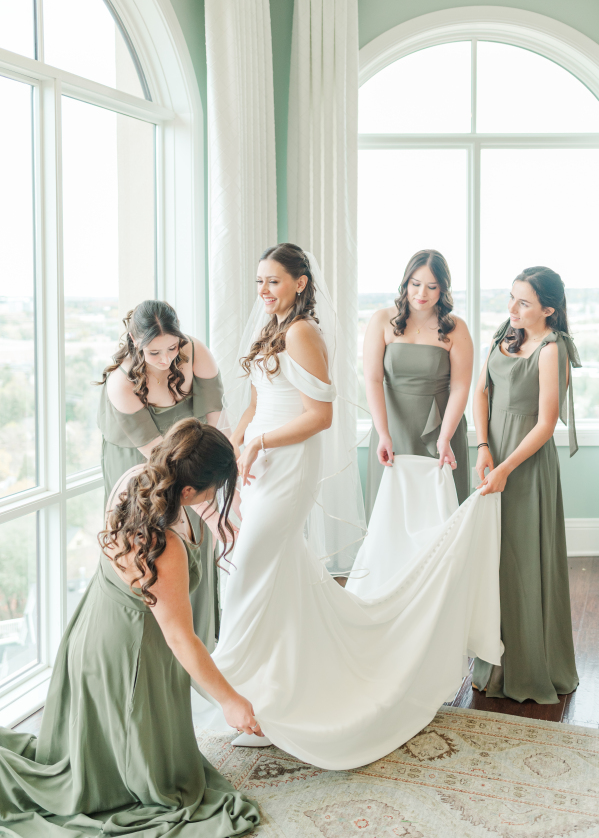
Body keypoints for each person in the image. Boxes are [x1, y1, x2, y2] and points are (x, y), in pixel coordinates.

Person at [211, 243, 502, 770]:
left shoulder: (303, 332)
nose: (263, 291)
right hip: (259, 465)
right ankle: (272, 690)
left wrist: (260, 443)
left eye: (273, 281)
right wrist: (237, 443)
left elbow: (321, 415)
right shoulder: (275, 327)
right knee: (273, 573)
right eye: (259, 281)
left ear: (299, 283)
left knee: (249, 569)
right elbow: (257, 400)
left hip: (288, 463)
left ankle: (230, 684)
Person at [0, 418, 260, 837]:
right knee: (150, 786)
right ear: (188, 491)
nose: (215, 496)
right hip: (127, 653)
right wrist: (230, 701)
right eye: (213, 488)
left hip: (92, 631)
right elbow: (181, 638)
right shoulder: (163, 547)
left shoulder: (138, 481)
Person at [472, 266, 580, 704]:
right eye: (511, 297)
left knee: (522, 560)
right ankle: (493, 666)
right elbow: (482, 392)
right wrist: (483, 447)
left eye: (523, 302)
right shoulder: (506, 331)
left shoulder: (552, 350)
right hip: (493, 454)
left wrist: (506, 468)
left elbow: (546, 424)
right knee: (494, 559)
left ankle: (531, 668)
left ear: (548, 310)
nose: (512, 308)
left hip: (525, 464)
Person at [97, 300, 225, 649]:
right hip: (143, 466)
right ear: (134, 341)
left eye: (172, 347)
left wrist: (218, 485)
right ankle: (157, 648)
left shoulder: (195, 352)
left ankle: (199, 646)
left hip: (191, 457)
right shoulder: (121, 383)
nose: (166, 359)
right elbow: (160, 461)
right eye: (154, 352)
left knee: (198, 541)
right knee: (153, 547)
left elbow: (215, 424)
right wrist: (214, 516)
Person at [363, 249, 472, 519]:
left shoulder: (456, 328)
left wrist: (445, 437)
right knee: (391, 512)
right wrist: (383, 433)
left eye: (432, 286)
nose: (422, 293)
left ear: (442, 289)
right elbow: (373, 379)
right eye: (415, 284)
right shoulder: (381, 320)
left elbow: (460, 387)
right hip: (392, 426)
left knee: (439, 514)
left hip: (440, 428)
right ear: (405, 283)